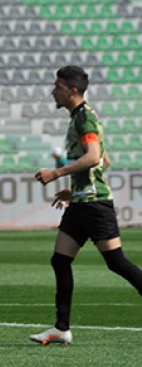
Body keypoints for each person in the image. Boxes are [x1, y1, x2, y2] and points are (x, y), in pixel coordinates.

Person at [32, 65, 142, 346]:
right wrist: (75, 188)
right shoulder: (80, 117)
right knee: (60, 260)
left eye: (57, 86)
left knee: (116, 262)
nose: (52, 91)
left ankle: (61, 327)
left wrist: (56, 174)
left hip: (94, 205)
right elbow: (104, 160)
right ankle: (61, 329)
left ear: (72, 90)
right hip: (83, 201)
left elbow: (94, 158)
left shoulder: (84, 119)